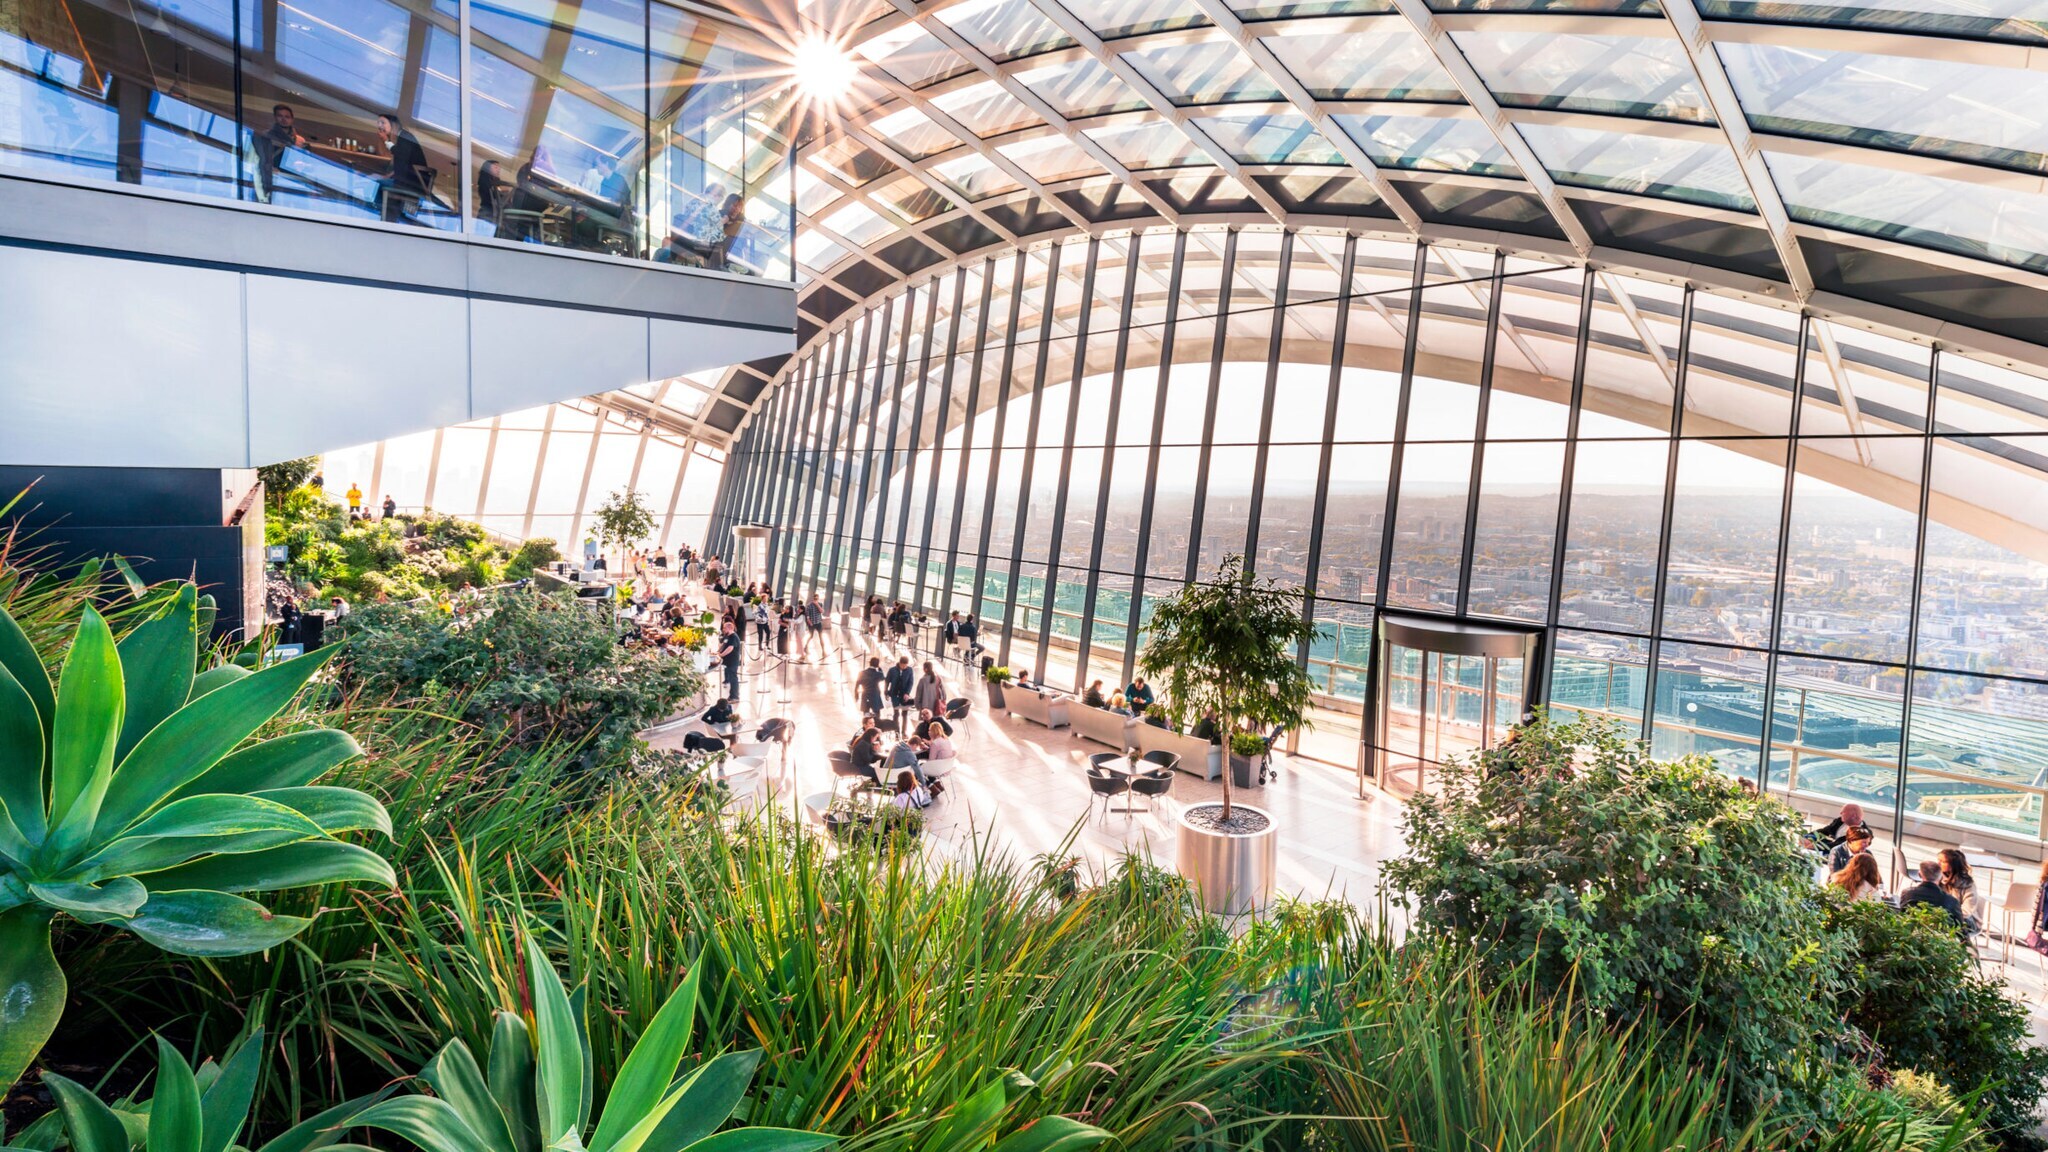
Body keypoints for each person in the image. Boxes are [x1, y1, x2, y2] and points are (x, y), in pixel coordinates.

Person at [377, 113, 430, 224]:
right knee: (382, 182)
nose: (379, 126)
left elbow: (401, 155)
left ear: (393, 125)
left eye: (383, 122)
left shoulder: (405, 137)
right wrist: (390, 175)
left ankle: (386, 218)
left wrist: (386, 141)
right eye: (378, 123)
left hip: (412, 184)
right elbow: (403, 163)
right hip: (409, 182)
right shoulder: (403, 137)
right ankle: (387, 216)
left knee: (380, 184)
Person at [250, 103, 304, 203]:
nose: (284, 119)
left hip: (292, 180)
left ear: (292, 119)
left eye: (287, 117)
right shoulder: (266, 136)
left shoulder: (299, 141)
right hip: (273, 178)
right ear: (275, 117)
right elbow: (261, 158)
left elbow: (303, 162)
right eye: (280, 116)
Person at [1900, 859, 1967, 933]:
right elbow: (1960, 928)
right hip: (1940, 940)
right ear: (1941, 877)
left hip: (1912, 937)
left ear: (1919, 875)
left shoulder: (1907, 894)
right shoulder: (1952, 901)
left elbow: (1902, 915)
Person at [1939, 848, 1980, 933]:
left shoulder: (1968, 885)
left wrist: (1944, 916)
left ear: (1952, 865)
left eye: (1942, 861)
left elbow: (1966, 911)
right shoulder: (1939, 879)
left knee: (1942, 927)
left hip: (1966, 921)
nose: (1938, 863)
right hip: (1946, 918)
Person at [886, 656, 915, 732]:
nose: (904, 667)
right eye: (903, 665)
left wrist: (907, 693)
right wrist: (886, 692)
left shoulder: (909, 670)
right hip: (894, 695)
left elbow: (910, 682)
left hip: (904, 696)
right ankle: (896, 732)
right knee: (896, 714)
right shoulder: (892, 670)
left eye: (906, 666)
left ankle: (904, 732)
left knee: (905, 714)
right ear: (899, 663)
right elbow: (887, 681)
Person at [855, 657, 886, 722]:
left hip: (865, 695)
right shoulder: (878, 674)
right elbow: (883, 678)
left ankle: (866, 727)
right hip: (875, 696)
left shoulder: (862, 673)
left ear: (869, 663)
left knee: (866, 714)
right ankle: (876, 727)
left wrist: (856, 694)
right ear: (877, 664)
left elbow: (857, 684)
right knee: (877, 714)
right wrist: (879, 669)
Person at [717, 619, 741, 701]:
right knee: (730, 678)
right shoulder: (727, 636)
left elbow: (730, 648)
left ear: (730, 628)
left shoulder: (733, 637)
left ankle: (735, 696)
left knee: (733, 679)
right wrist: (718, 652)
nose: (723, 629)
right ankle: (732, 695)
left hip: (732, 661)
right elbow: (724, 644)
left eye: (724, 628)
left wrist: (721, 655)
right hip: (727, 661)